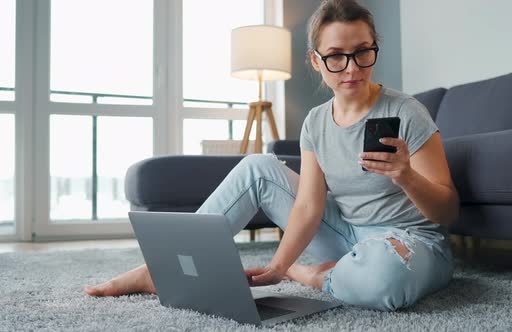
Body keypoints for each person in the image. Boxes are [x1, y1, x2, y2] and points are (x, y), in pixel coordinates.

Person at [85, 0, 459, 311]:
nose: (351, 68)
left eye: (362, 53)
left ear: (374, 47)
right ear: (316, 61)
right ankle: (160, 269)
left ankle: (318, 275)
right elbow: (309, 207)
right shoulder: (316, 122)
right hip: (347, 234)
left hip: (412, 241)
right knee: (257, 167)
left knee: (383, 284)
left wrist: (406, 175)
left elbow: (447, 212)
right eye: (336, 57)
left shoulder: (407, 112)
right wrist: (280, 265)